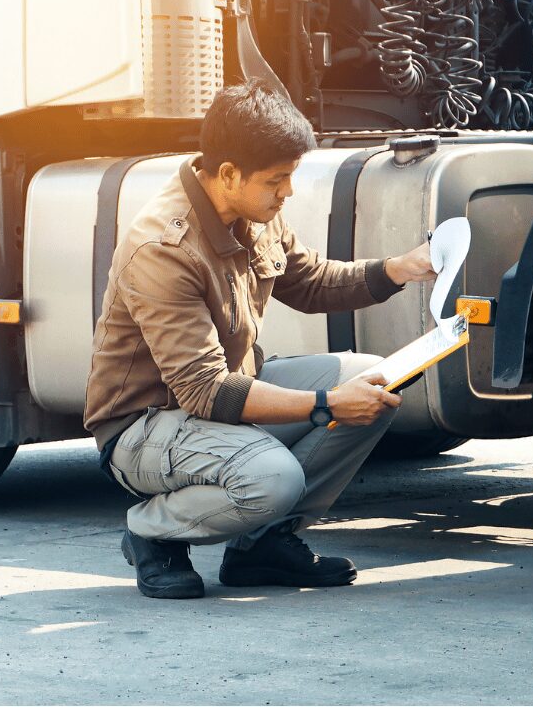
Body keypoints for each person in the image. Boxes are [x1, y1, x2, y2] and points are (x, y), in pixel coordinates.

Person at [84, 79, 436, 599]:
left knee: (375, 380)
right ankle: (150, 532)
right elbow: (205, 391)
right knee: (274, 478)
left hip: (220, 399)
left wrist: (400, 269)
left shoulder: (251, 212)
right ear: (228, 174)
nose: (287, 192)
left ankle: (263, 546)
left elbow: (310, 281)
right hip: (143, 427)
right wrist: (326, 405)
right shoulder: (162, 247)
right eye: (278, 180)